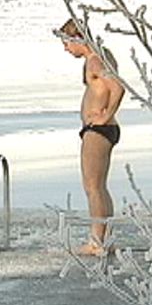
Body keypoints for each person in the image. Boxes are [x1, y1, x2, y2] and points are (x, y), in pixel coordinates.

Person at [55, 18, 125, 256]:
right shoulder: (98, 57)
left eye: (66, 42)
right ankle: (106, 238)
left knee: (92, 186)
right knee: (99, 187)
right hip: (99, 130)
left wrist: (106, 115)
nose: (65, 48)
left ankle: (97, 241)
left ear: (77, 39)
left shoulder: (95, 61)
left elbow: (118, 87)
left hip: (98, 131)